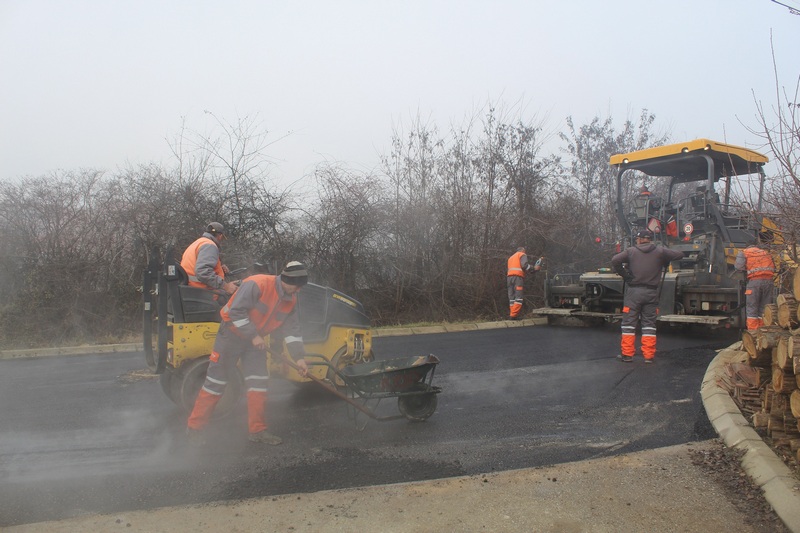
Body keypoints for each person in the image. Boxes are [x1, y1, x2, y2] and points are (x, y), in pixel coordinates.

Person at [186, 261, 311, 446]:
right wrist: (253, 335)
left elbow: (292, 330)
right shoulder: (257, 284)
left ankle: (257, 431)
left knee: (258, 384)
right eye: (297, 286)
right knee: (215, 383)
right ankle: (195, 429)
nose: (298, 291)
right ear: (287, 280)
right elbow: (235, 312)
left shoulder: (290, 299)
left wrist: (299, 358)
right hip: (231, 335)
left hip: (256, 342)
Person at [611, 230, 683, 364]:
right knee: (649, 325)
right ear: (649, 239)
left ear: (638, 240)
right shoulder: (660, 251)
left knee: (629, 324)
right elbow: (679, 254)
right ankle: (649, 356)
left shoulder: (631, 251)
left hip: (634, 292)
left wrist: (626, 275)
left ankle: (627, 355)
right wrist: (665, 258)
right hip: (651, 293)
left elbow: (615, 260)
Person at [180, 222, 238, 297]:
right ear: (220, 236)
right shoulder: (209, 245)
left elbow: (196, 267)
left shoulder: (198, 243)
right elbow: (203, 272)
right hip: (202, 293)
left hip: (190, 290)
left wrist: (221, 270)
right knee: (235, 301)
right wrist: (225, 286)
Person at [735, 234, 776, 331]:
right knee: (764, 309)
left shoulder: (744, 252)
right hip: (769, 282)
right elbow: (774, 267)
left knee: (752, 309)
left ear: (747, 245)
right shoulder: (765, 253)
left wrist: (746, 270)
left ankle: (753, 333)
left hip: (754, 283)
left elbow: (738, 267)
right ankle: (762, 332)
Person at [507, 247, 542, 320]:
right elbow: (524, 266)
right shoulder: (522, 254)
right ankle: (514, 315)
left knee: (512, 298)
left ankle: (512, 314)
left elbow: (519, 267)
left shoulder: (511, 257)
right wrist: (534, 268)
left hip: (509, 278)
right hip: (517, 278)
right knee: (518, 297)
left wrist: (531, 270)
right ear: (522, 250)